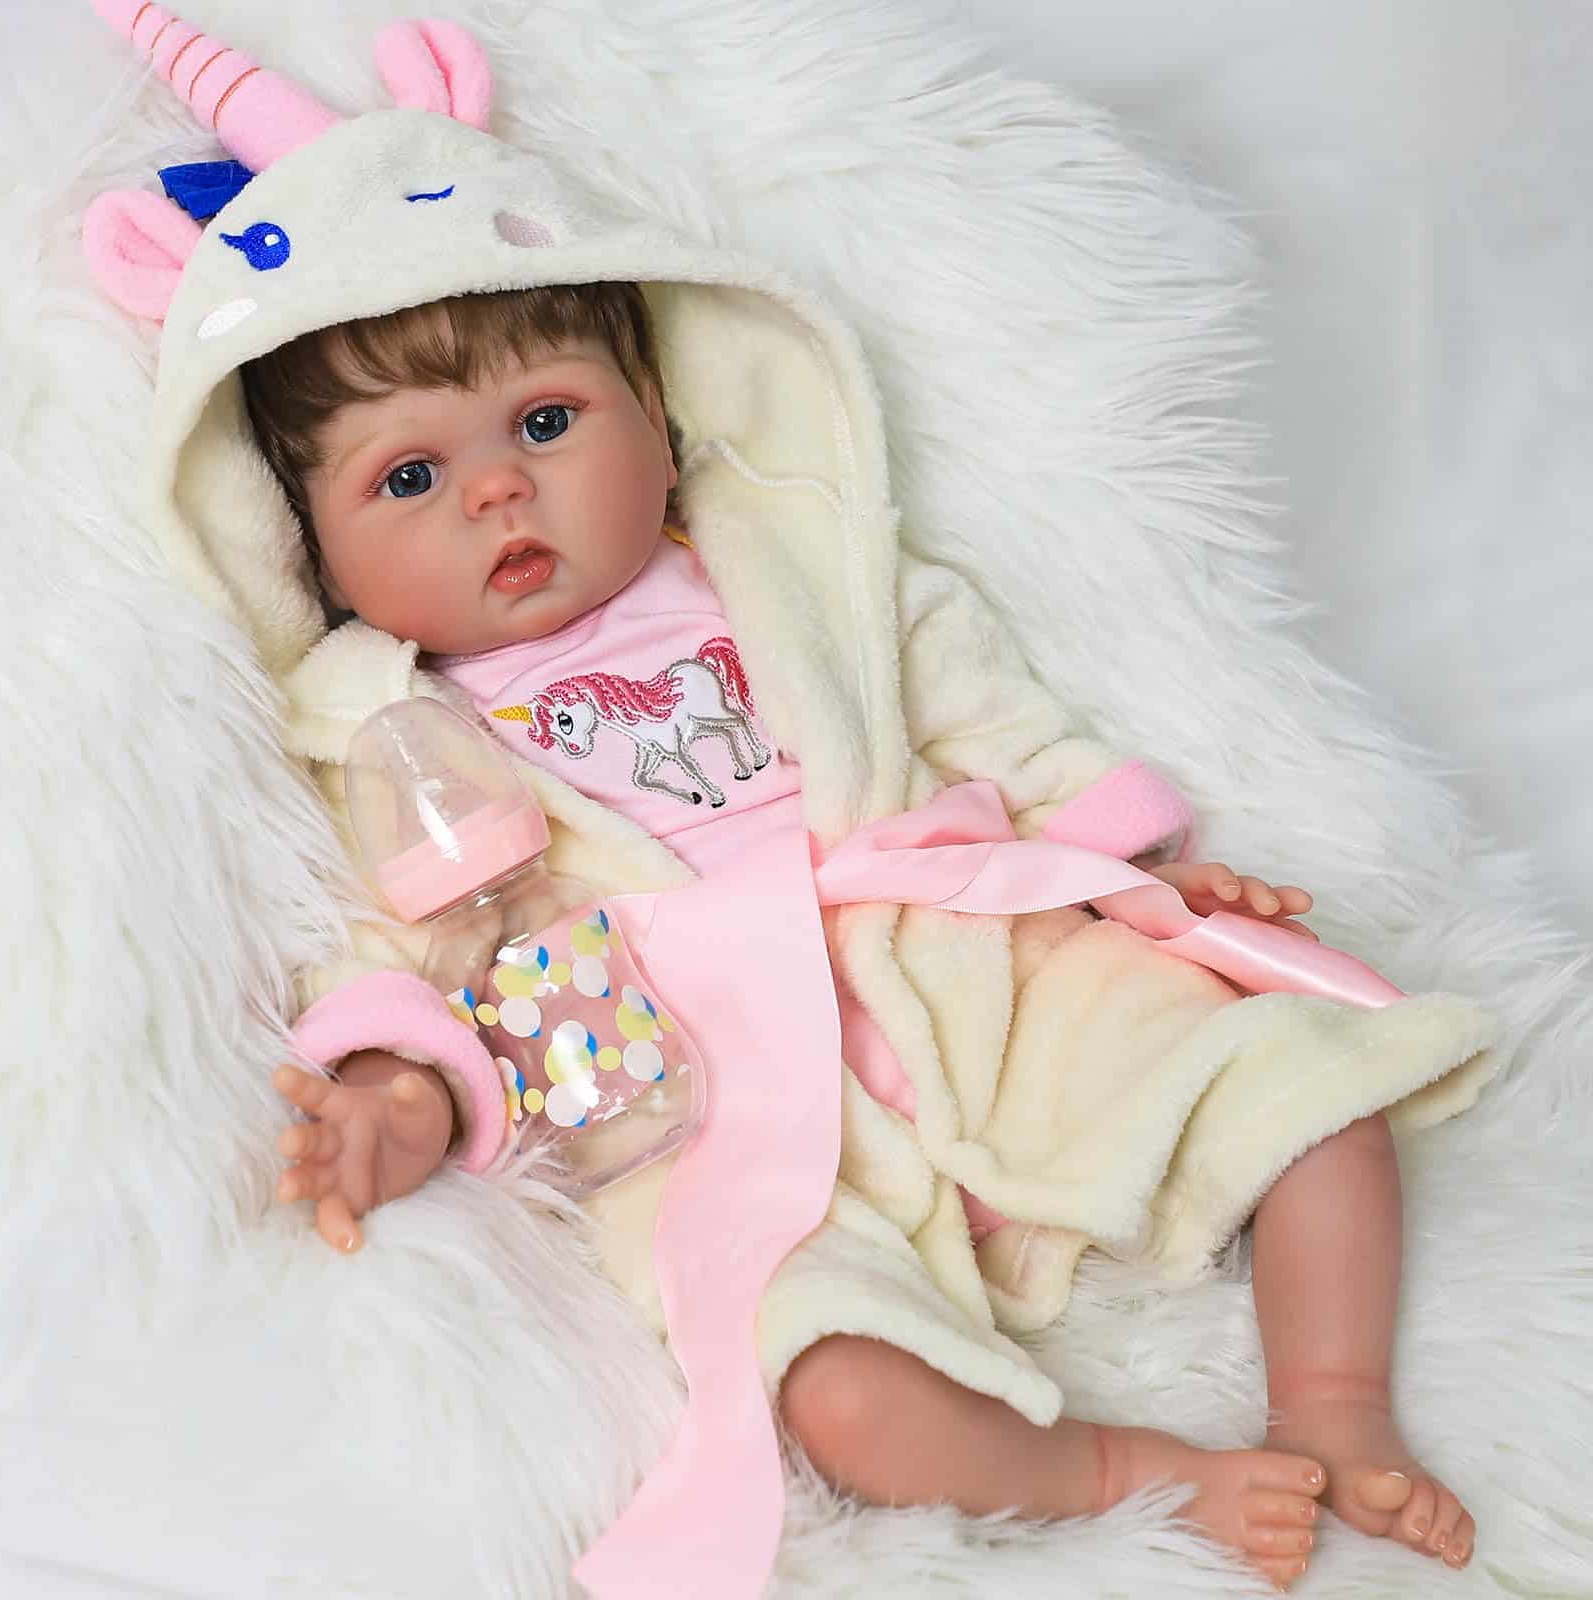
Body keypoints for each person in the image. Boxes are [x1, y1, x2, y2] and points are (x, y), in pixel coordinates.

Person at [82, 9, 1496, 1591]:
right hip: (708, 1095)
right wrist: (399, 1091)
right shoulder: (384, 732)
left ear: (657, 409)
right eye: (407, 478)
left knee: (1313, 1088)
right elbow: (391, 942)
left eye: (546, 421)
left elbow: (988, 709)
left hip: (966, 976)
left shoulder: (791, 572)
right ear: (310, 550)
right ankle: (1133, 1472)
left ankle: (1339, 1405)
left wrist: (1128, 870)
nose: (496, 487)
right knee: (835, 1395)